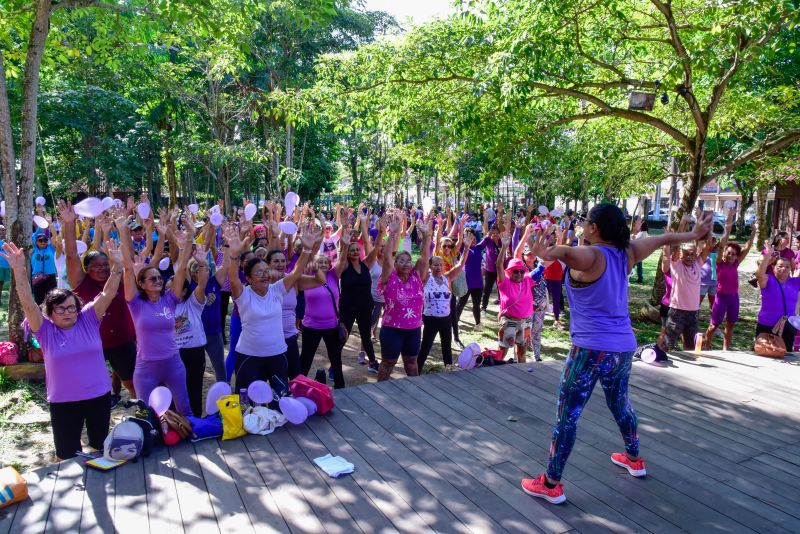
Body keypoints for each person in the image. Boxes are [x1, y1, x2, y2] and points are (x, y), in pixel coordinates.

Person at [520, 205, 712, 504]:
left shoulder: (593, 255)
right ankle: (634, 458)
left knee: (568, 415)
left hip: (589, 350)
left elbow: (572, 255)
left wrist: (551, 252)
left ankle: (551, 483)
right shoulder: (627, 252)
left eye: (586, 222)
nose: (583, 226)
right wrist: (693, 233)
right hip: (622, 349)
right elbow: (663, 239)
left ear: (594, 227)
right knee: (620, 404)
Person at [1, 239, 123, 460]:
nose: (67, 313)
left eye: (71, 308)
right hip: (63, 401)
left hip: (98, 396)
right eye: (60, 309)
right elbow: (28, 302)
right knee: (67, 455)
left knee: (101, 448)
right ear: (50, 312)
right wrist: (19, 271)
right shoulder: (45, 330)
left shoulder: (88, 318)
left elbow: (108, 294)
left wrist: (117, 266)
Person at [116, 210, 194, 416]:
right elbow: (127, 268)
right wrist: (122, 229)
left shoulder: (170, 299)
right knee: (145, 413)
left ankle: (189, 441)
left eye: (159, 277)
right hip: (146, 367)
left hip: (173, 363)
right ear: (141, 284)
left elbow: (183, 266)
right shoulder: (135, 303)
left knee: (184, 408)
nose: (158, 280)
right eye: (152, 278)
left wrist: (190, 237)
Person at [227, 222, 320, 393]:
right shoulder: (244, 295)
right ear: (248, 278)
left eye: (266, 271)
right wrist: (234, 254)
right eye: (258, 272)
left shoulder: (276, 290)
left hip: (277, 355)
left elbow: (296, 272)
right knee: (249, 405)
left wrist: (307, 249)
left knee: (280, 399)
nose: (265, 275)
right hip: (249, 357)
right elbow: (232, 278)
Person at [61, 201, 137, 404]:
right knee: (88, 384)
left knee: (133, 384)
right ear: (86, 268)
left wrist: (122, 228)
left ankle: (144, 415)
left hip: (122, 340)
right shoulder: (80, 283)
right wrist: (69, 224)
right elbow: (70, 255)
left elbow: (127, 259)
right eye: (97, 266)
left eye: (106, 264)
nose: (103, 268)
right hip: (91, 343)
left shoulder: (119, 277)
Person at [377, 211, 432, 381]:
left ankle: (414, 391)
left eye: (408, 261)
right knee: (388, 363)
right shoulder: (389, 277)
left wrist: (427, 237)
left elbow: (424, 258)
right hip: (392, 329)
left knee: (411, 362)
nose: (406, 263)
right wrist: (392, 234)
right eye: (401, 261)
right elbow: (387, 258)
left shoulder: (416, 278)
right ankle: (380, 389)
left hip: (413, 329)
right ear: (395, 264)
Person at [266, 247, 325, 379]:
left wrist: (316, 269)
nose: (280, 264)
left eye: (283, 261)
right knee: (274, 379)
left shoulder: (293, 280)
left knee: (295, 377)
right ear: (268, 264)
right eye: (276, 261)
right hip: (269, 340)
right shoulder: (263, 283)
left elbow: (320, 281)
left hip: (290, 339)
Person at [417, 234, 473, 372]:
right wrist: (426, 239)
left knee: (446, 346)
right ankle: (416, 370)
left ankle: (449, 369)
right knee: (426, 346)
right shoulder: (425, 278)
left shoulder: (447, 278)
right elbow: (422, 260)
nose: (439, 267)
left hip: (446, 319)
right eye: (435, 265)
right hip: (430, 319)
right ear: (430, 266)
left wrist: (466, 248)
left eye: (441, 265)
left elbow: (460, 265)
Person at [660, 214, 712, 352]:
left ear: (696, 255)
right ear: (681, 254)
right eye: (686, 253)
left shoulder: (697, 264)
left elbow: (707, 248)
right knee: (667, 344)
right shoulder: (677, 265)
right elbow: (676, 246)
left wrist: (709, 226)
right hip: (677, 312)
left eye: (692, 254)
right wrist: (682, 224)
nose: (689, 256)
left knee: (691, 346)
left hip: (693, 312)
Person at [338, 212, 381, 374]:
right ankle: (335, 366)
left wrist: (381, 231)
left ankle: (372, 362)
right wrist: (344, 232)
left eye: (357, 249)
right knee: (343, 337)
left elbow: (376, 248)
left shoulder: (365, 264)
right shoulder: (344, 266)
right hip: (348, 308)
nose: (355, 252)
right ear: (347, 252)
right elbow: (342, 254)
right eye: (352, 250)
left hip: (364, 307)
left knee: (366, 336)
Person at [704, 213, 754, 350]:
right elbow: (722, 245)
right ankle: (707, 346)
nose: (731, 255)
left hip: (734, 298)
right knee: (714, 324)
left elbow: (748, 247)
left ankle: (727, 348)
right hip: (721, 297)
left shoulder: (736, 264)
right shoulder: (719, 262)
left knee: (731, 324)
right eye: (729, 253)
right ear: (725, 253)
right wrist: (729, 221)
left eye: (734, 254)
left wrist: (754, 231)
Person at [169, 253, 210, 417]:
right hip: (172, 354)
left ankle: (195, 420)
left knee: (194, 386)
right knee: (173, 388)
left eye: (176, 288)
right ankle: (175, 421)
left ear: (185, 290)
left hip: (194, 353)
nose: (172, 292)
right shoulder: (163, 306)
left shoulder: (193, 302)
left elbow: (202, 283)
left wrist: (201, 264)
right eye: (169, 288)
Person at [754, 248, 800, 351]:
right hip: (767, 325)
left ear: (790, 269)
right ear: (773, 267)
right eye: (780, 266)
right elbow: (759, 274)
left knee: (785, 354)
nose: (784, 269)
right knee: (763, 354)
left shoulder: (795, 282)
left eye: (787, 266)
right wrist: (767, 257)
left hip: (788, 326)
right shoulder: (768, 279)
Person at [456, 226, 484, 330]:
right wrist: (462, 229)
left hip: (478, 283)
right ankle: (454, 323)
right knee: (461, 304)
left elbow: (487, 236)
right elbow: (460, 238)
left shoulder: (479, 248)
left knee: (476, 305)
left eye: (473, 238)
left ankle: (478, 324)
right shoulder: (464, 248)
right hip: (466, 282)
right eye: (468, 237)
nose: (471, 240)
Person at [31, 231, 58, 304]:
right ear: (36, 242)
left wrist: (50, 224)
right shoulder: (34, 249)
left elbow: (55, 237)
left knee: (52, 299)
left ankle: (50, 314)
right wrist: (40, 227)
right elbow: (33, 237)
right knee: (38, 299)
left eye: (45, 240)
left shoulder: (51, 248)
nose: (43, 242)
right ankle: (39, 314)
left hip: (50, 277)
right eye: (40, 240)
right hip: (37, 277)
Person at [630, 218, 648, 283]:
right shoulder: (643, 233)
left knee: (633, 264)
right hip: (638, 251)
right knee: (636, 265)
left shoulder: (643, 233)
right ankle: (639, 277)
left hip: (638, 251)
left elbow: (636, 241)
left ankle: (637, 277)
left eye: (640, 224)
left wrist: (632, 237)